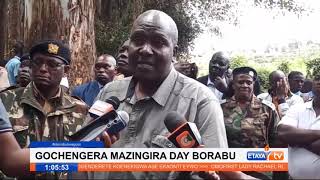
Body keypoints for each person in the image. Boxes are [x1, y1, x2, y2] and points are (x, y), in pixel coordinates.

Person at [93, 10, 231, 180]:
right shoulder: (109, 92)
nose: (145, 50)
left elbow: (218, 172)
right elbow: (79, 159)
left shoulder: (201, 101)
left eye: (158, 42)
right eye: (138, 40)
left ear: (174, 52)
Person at [0, 40, 88, 179]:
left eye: (52, 64)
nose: (42, 68)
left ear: (66, 70)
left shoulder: (80, 110)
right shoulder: (5, 101)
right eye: (37, 62)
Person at [221, 67, 280, 179]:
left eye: (249, 82)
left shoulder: (267, 108)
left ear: (253, 84)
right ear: (233, 84)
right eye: (240, 82)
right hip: (230, 169)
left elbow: (275, 141)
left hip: (260, 169)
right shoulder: (221, 108)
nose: (245, 85)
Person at [277, 75, 320, 179]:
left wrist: (295, 140)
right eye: (318, 78)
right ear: (312, 84)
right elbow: (283, 133)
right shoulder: (298, 108)